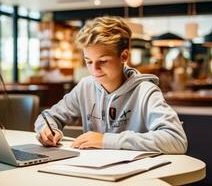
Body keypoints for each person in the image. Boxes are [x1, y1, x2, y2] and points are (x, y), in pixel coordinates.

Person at [34, 16, 187, 153]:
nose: (94, 69)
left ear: (124, 56)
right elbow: (48, 117)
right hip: (92, 172)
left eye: (103, 61)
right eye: (88, 61)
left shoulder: (145, 91)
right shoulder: (85, 86)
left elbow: (176, 139)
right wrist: (47, 130)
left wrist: (105, 140)